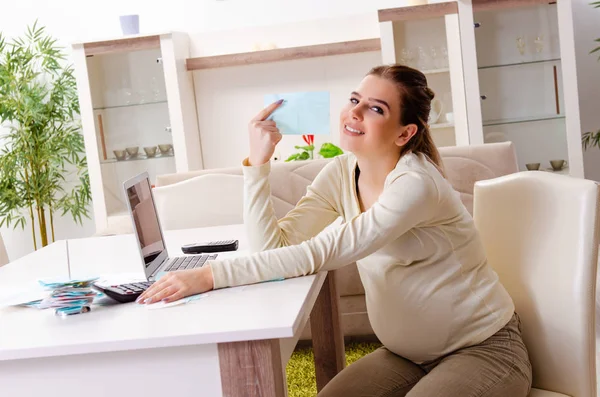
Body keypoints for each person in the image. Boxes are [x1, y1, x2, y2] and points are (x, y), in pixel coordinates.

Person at [137, 64, 532, 396]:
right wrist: (258, 163)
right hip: (406, 356)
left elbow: (320, 253)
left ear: (404, 133)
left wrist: (208, 276)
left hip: (483, 350)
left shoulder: (414, 185)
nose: (355, 113)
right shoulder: (342, 172)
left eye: (375, 109)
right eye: (354, 100)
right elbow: (269, 248)